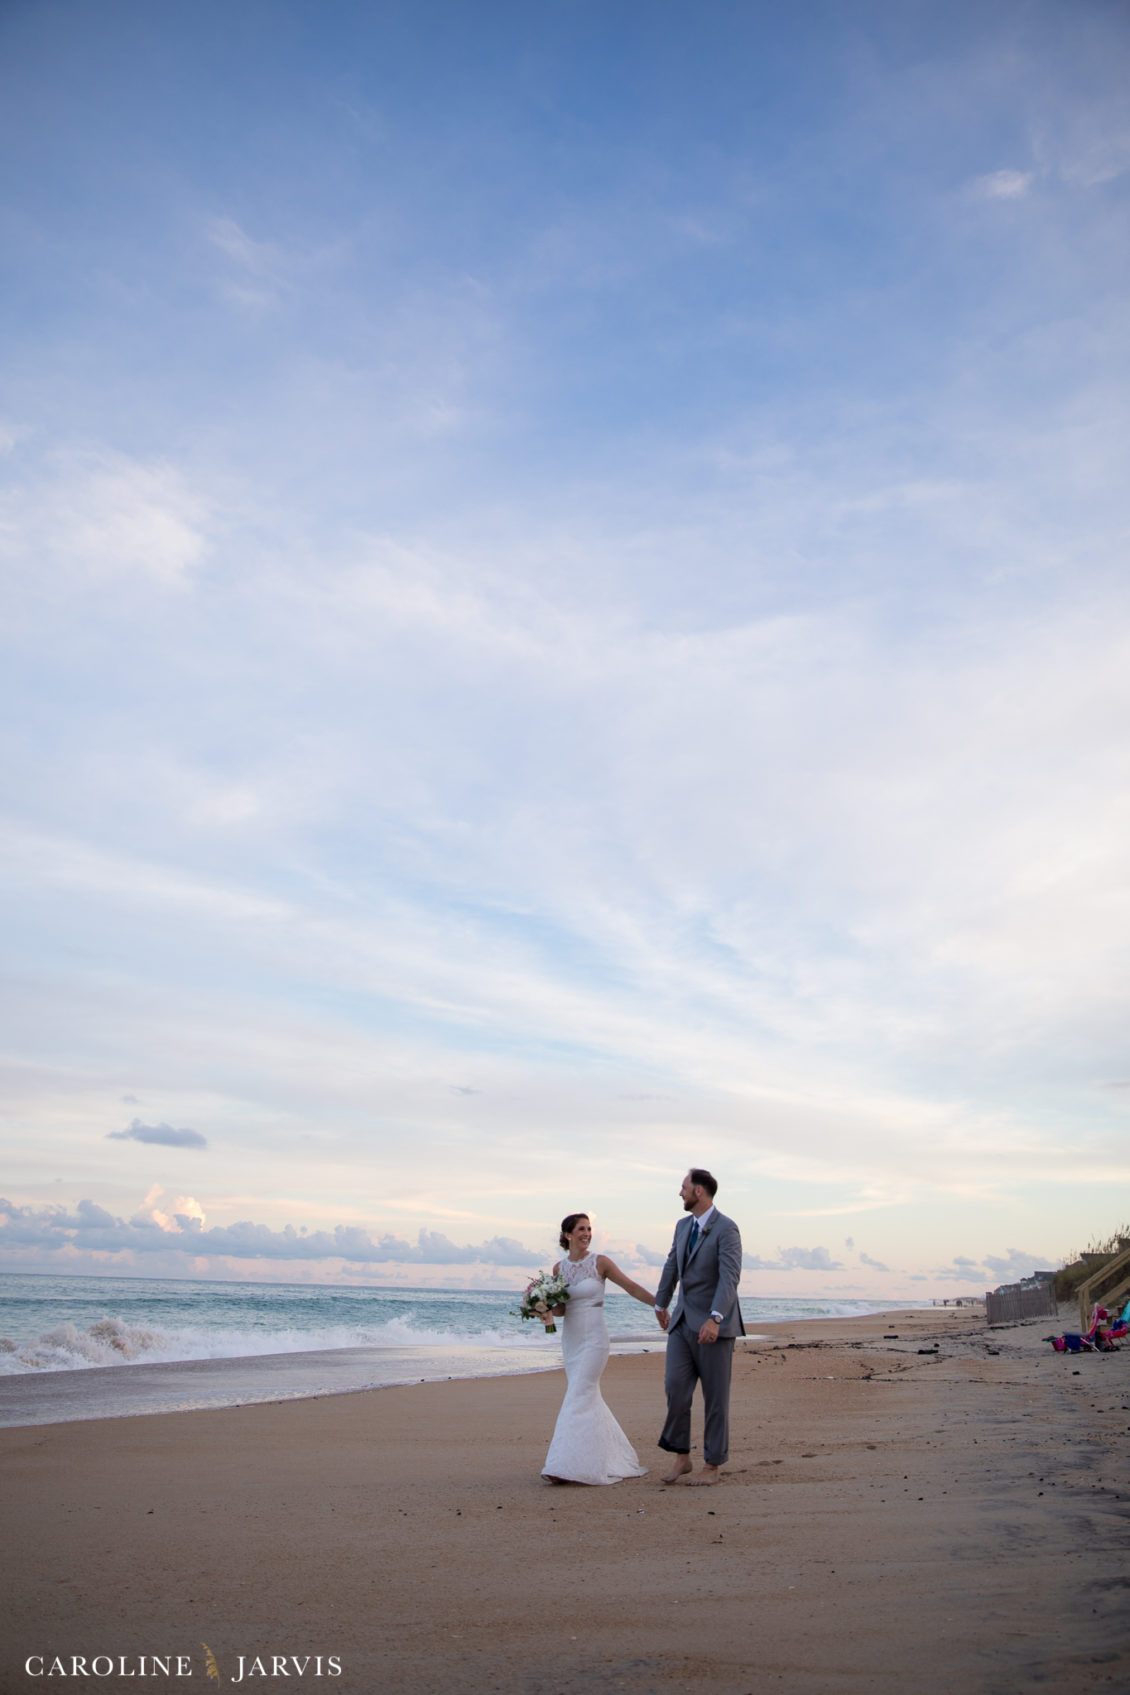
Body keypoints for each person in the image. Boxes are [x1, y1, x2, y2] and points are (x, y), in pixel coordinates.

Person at [541, 1212, 659, 1485]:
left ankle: (564, 1464)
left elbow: (630, 1286)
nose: (587, 1233)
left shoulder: (601, 1263)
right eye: (581, 1229)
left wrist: (661, 1306)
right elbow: (561, 1309)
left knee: (579, 1392)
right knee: (585, 1396)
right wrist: (542, 1307)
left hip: (595, 1338)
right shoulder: (558, 1269)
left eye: (589, 1228)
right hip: (571, 1340)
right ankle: (596, 1458)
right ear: (568, 1235)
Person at [654, 1168, 744, 1486]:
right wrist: (660, 1303)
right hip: (681, 1322)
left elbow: (729, 1278)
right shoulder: (682, 1226)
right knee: (675, 1387)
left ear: (700, 1191)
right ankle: (682, 1457)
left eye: (683, 1187)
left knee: (715, 1397)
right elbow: (671, 1265)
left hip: (714, 1326)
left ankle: (713, 1464)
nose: (680, 1193)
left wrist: (716, 1317)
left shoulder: (727, 1229)